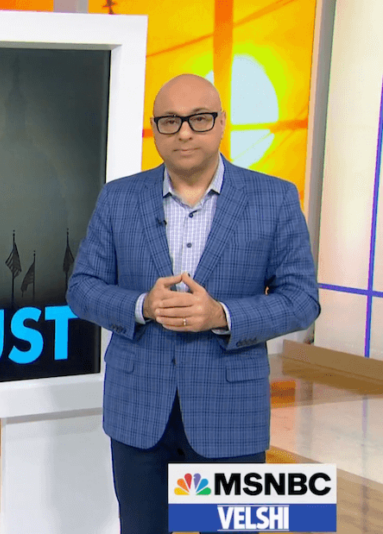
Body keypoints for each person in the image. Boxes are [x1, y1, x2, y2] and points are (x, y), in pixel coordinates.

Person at [66, 74, 320, 534]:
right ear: (155, 129)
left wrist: (222, 315)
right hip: (138, 410)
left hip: (230, 412)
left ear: (222, 124)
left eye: (199, 119)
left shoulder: (274, 198)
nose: (184, 132)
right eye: (170, 121)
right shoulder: (118, 198)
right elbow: (82, 287)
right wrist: (142, 305)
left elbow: (302, 300)